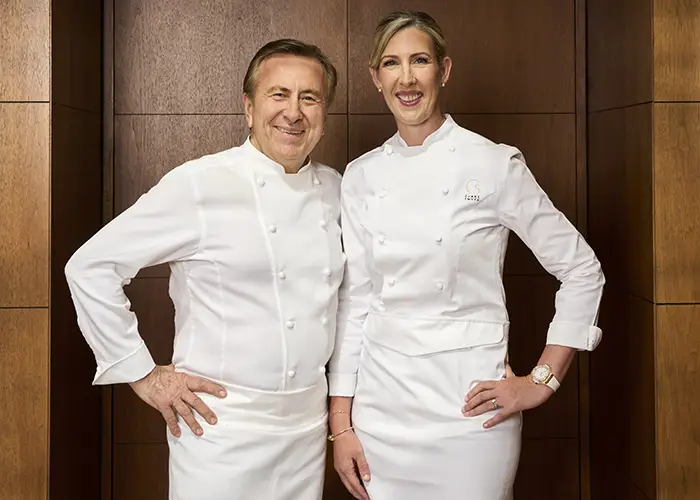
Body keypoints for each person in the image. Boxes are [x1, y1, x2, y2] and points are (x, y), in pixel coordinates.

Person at [327, 11, 605, 500]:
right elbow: (357, 304)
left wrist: (542, 380)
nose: (406, 78)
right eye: (391, 63)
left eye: (420, 60)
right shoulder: (361, 176)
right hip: (381, 412)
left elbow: (582, 269)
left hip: (471, 413)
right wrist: (341, 424)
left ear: (444, 70)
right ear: (375, 77)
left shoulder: (493, 163)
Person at [65, 39, 344, 500]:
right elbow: (90, 267)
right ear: (248, 107)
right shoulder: (200, 184)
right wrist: (143, 374)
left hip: (305, 430)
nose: (293, 112)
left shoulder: (335, 190)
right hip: (219, 428)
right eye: (278, 94)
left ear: (323, 113)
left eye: (309, 98)